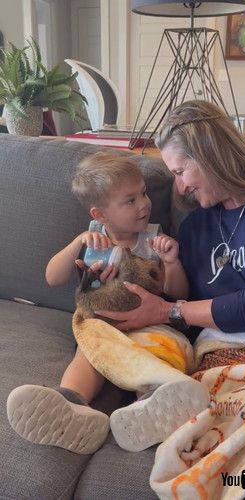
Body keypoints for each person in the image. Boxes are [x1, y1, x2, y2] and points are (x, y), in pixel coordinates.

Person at [7, 152, 209, 455]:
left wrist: (172, 261)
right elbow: (52, 278)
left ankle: (150, 406)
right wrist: (78, 242)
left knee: (156, 351)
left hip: (148, 327)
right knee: (90, 353)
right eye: (130, 200)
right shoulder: (92, 239)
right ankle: (71, 405)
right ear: (100, 215)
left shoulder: (154, 239)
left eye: (143, 193)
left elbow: (178, 293)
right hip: (103, 328)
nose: (144, 204)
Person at [93, 100, 245, 371]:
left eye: (180, 172)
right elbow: (181, 311)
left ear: (211, 156)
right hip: (219, 352)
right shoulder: (194, 227)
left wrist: (165, 311)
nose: (179, 189)